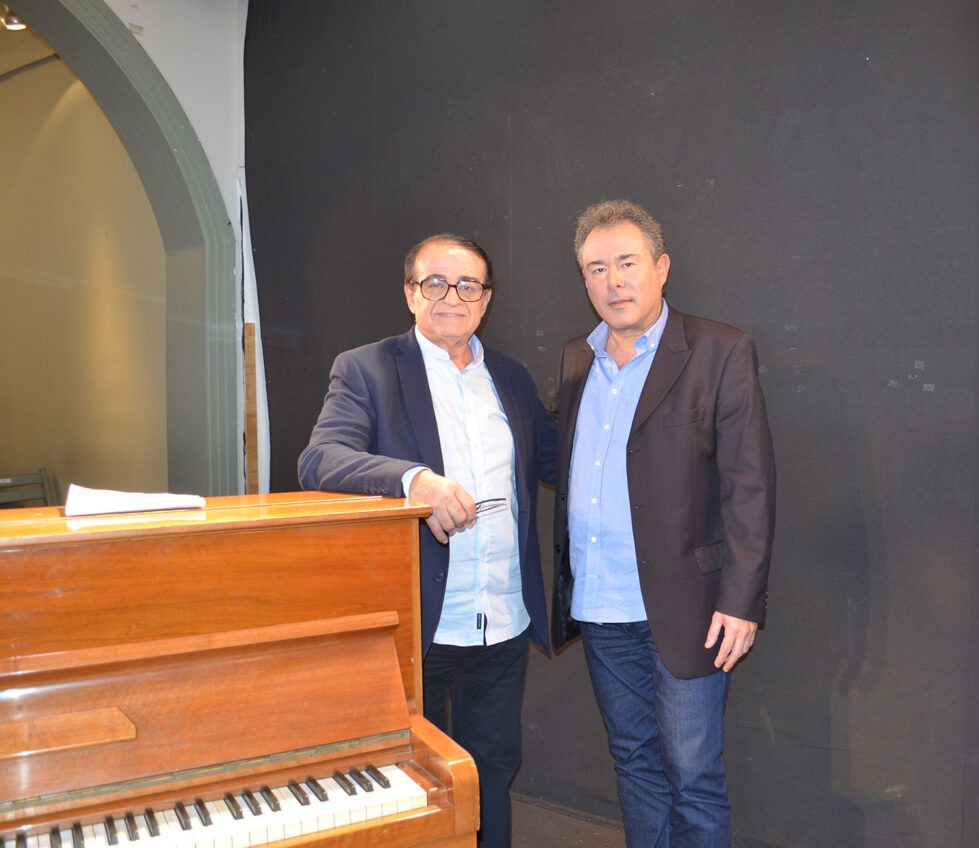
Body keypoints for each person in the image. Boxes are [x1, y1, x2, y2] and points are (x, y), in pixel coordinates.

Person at [298, 233, 555, 848]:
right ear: (411, 294)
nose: (452, 297)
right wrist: (415, 481)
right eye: (435, 283)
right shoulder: (366, 369)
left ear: (485, 300)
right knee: (411, 782)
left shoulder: (511, 379)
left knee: (491, 772)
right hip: (419, 622)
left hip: (501, 620)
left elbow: (558, 461)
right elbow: (320, 459)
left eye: (468, 286)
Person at [550, 200, 776, 847]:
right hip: (601, 605)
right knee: (635, 764)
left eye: (627, 263)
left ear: (662, 267)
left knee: (692, 775)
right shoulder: (576, 359)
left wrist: (741, 601)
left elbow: (750, 486)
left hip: (689, 607)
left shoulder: (719, 350)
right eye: (597, 269)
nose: (613, 282)